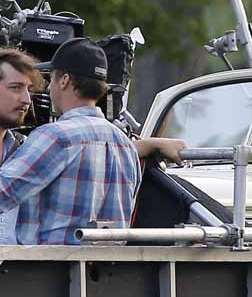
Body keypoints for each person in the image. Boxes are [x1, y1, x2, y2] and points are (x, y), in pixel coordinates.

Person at [0, 39, 185, 244]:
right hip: (111, 271)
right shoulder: (125, 146)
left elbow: (3, 192)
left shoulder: (55, 137)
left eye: (51, 80)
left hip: (51, 272)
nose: (47, 89)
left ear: (64, 81)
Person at [0, 48, 38, 244]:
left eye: (29, 90)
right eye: (15, 87)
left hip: (16, 272)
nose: (26, 100)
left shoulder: (26, 148)